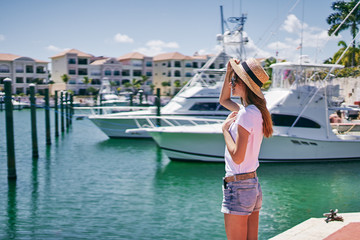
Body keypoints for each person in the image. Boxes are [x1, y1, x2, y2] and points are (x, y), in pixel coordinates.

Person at [219, 58, 273, 240]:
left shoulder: (245, 114)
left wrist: (225, 130)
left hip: (239, 186)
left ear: (241, 83)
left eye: (233, 80)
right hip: (252, 185)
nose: (230, 84)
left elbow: (238, 157)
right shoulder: (253, 111)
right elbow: (224, 99)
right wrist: (228, 72)